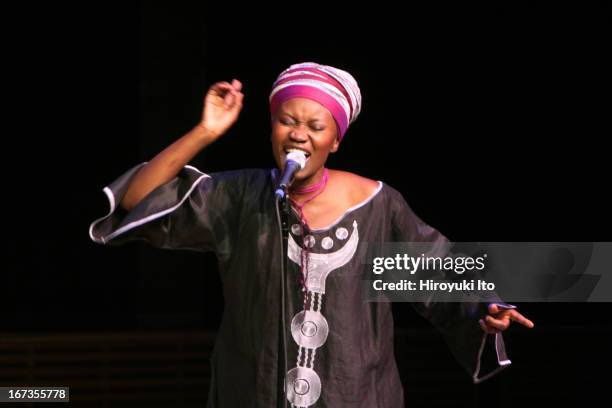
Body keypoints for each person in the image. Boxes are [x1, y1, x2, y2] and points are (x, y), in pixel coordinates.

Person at [90, 62, 534, 407]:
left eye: (315, 127)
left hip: (357, 395)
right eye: (286, 121)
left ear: (335, 139)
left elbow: (437, 269)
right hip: (253, 392)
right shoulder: (242, 196)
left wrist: (482, 305)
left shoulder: (377, 203)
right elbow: (138, 198)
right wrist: (206, 131)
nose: (298, 135)